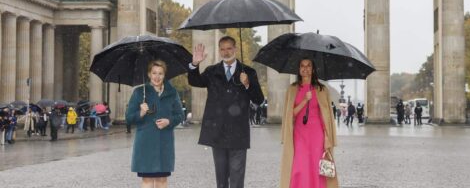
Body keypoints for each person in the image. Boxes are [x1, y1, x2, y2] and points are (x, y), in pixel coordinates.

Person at [189, 36, 264, 188]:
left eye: (229, 48)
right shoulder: (211, 71)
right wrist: (194, 64)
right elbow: (195, 81)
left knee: (237, 179)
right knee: (221, 179)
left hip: (238, 133)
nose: (226, 52)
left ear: (235, 49)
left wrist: (248, 84)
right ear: (219, 51)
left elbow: (258, 99)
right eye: (222, 49)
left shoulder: (248, 72)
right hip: (217, 132)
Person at [280, 58, 338, 188]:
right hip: (299, 134)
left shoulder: (322, 90)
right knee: (299, 166)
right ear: (299, 69)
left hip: (317, 134)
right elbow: (291, 115)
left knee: (315, 166)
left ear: (313, 69)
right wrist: (304, 101)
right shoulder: (293, 89)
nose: (305, 68)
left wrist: (327, 137)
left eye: (308, 66)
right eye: (302, 66)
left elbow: (326, 116)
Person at [126, 59, 183, 188]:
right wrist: (140, 113)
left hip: (164, 143)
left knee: (162, 180)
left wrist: (169, 121)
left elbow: (180, 115)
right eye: (154, 73)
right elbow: (128, 118)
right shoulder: (139, 92)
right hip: (145, 142)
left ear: (164, 75)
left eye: (160, 73)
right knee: (147, 180)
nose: (157, 77)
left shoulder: (172, 93)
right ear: (148, 74)